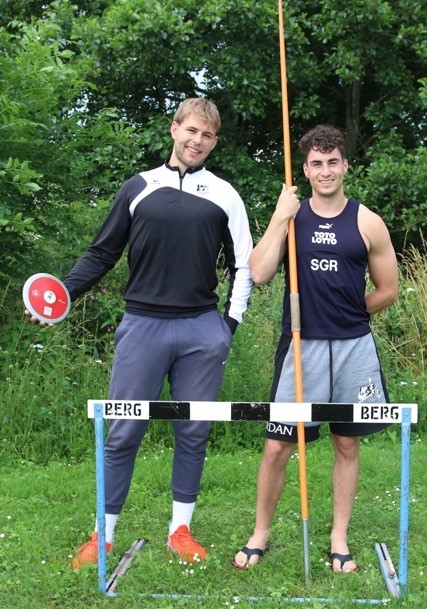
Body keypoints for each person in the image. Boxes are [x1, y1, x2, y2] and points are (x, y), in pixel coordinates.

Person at [28, 98, 253, 566]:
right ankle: (103, 536)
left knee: (193, 431)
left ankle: (180, 531)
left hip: (202, 329)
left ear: (215, 141)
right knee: (123, 431)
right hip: (142, 326)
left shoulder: (225, 195)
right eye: (191, 130)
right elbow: (101, 253)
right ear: (174, 129)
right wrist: (62, 296)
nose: (197, 141)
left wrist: (227, 326)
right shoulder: (139, 187)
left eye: (207, 135)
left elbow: (243, 265)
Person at [233, 124, 398, 573]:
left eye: (333, 162)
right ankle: (260, 533)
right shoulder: (293, 217)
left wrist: (350, 312)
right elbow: (260, 273)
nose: (326, 171)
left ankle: (338, 537)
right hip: (300, 346)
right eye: (316, 163)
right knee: (277, 446)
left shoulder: (367, 221)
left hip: (352, 347)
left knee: (346, 444)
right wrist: (279, 216)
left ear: (345, 166)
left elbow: (388, 289)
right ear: (305, 170)